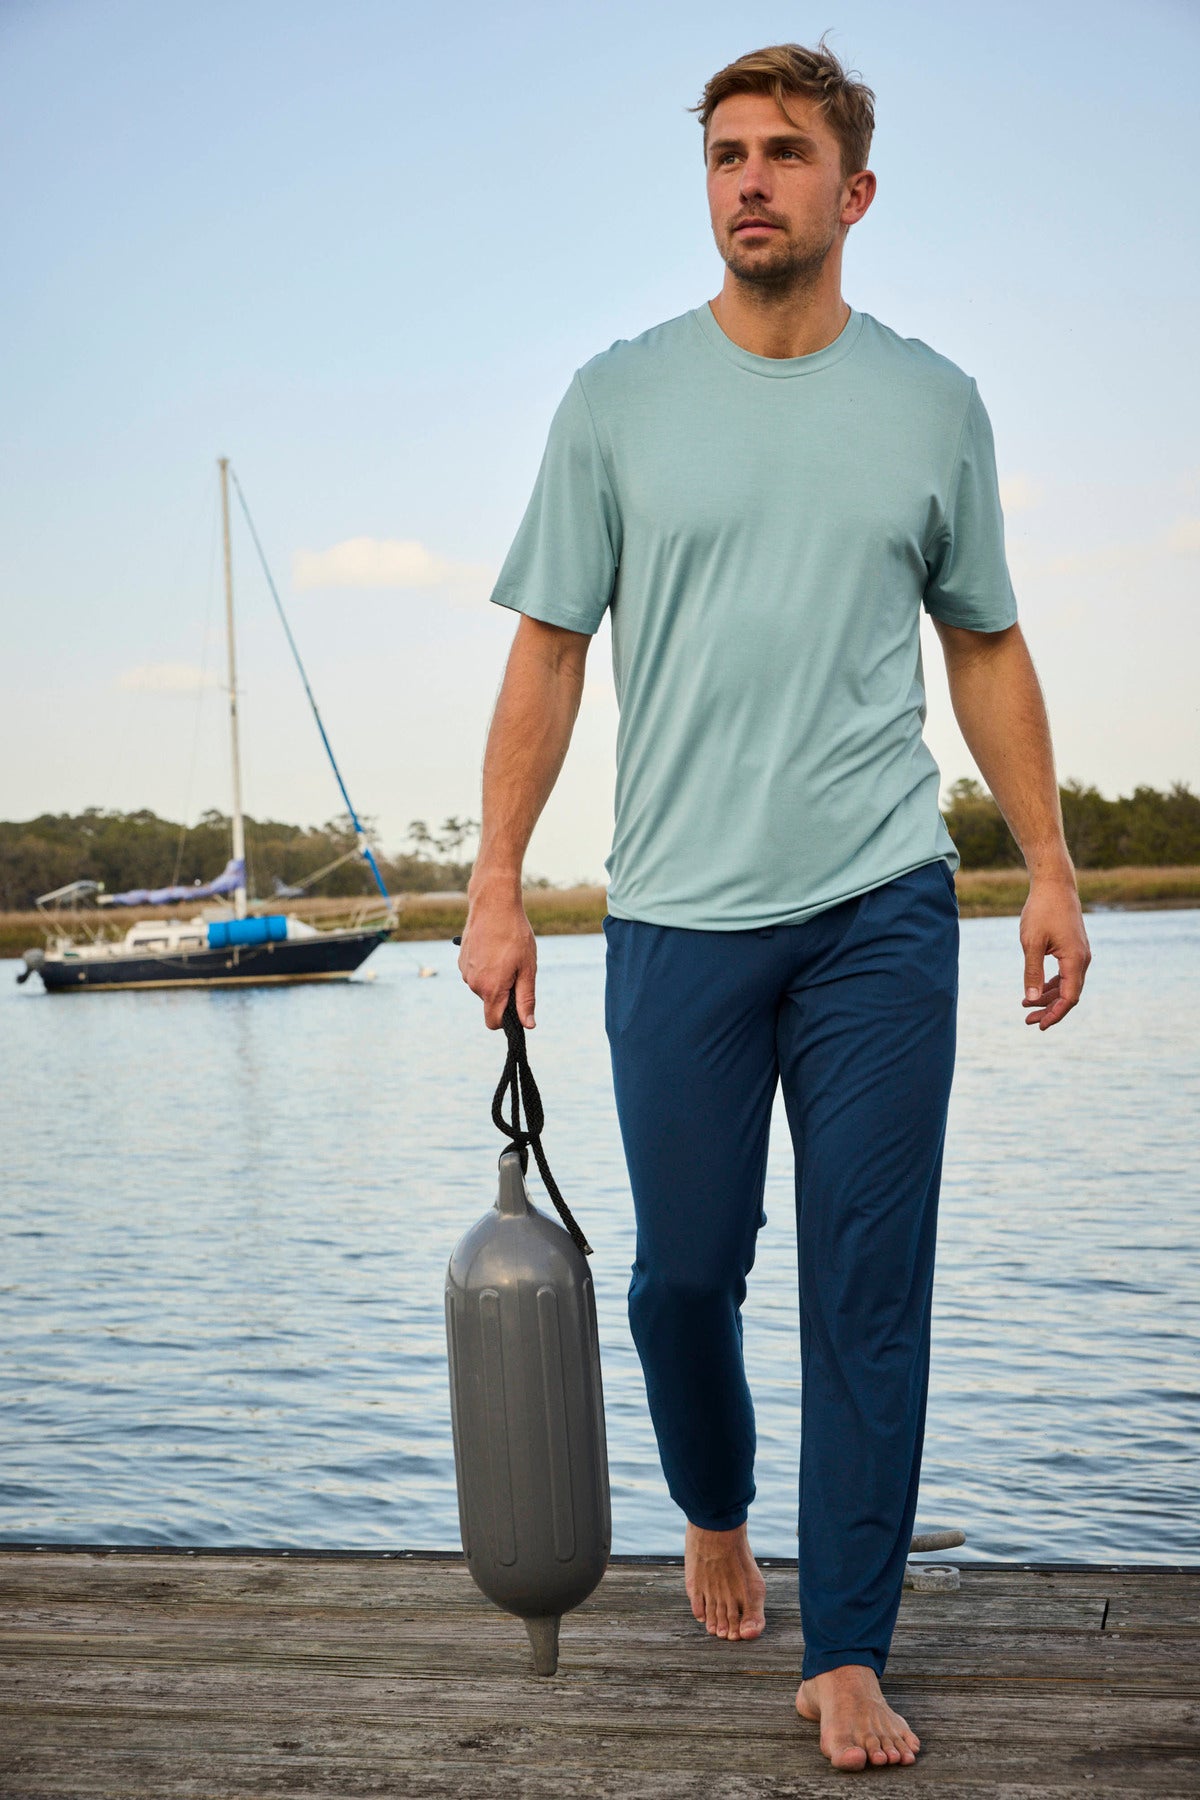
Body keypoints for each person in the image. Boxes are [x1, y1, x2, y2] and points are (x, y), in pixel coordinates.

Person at [458, 40, 1091, 1773]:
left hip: (884, 904)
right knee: (679, 1282)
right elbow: (547, 653)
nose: (751, 179)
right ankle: (715, 1502)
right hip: (674, 917)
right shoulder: (616, 399)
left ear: (852, 193)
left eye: (786, 154)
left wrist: (1045, 863)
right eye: (728, 154)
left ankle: (854, 1647)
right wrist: (498, 886)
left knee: (870, 1282)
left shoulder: (933, 402)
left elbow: (986, 644)